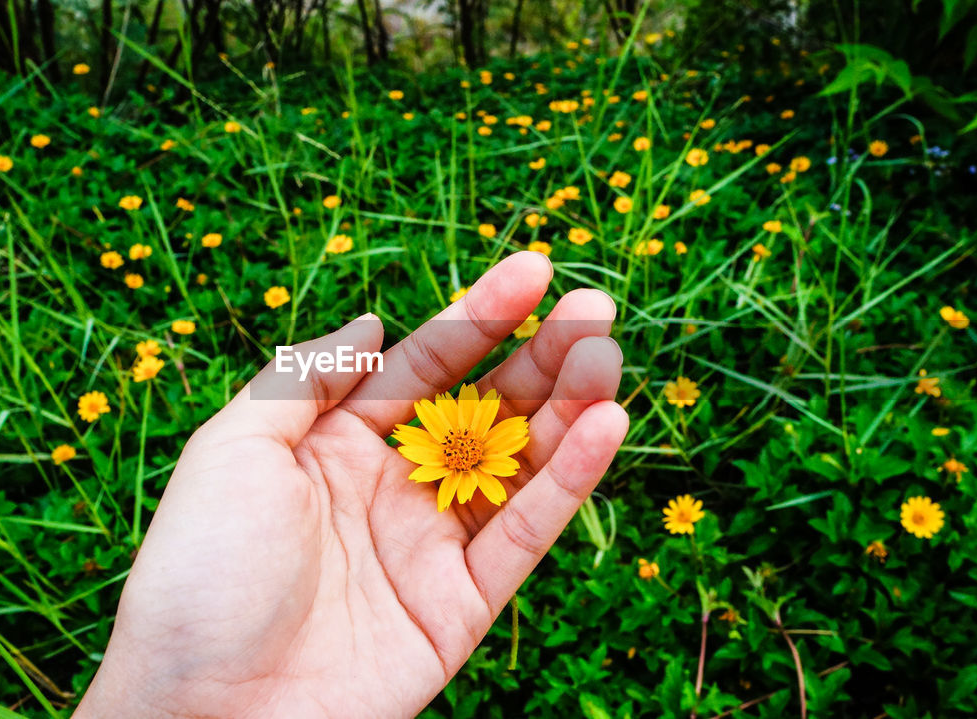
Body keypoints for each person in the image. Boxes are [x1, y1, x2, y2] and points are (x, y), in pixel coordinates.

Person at [73, 252, 628, 717]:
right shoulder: (429, 456)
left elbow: (493, 458)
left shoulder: (486, 452)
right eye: (456, 444)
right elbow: (417, 441)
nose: (459, 446)